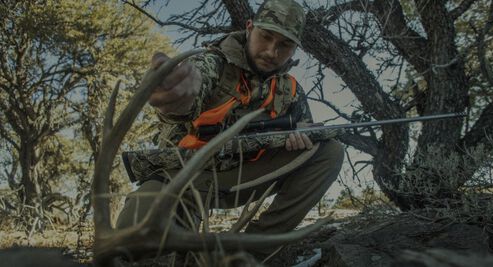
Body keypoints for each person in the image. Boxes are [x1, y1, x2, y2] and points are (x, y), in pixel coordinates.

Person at [116, 0, 344, 259]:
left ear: (295, 50)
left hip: (246, 178)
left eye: (285, 45)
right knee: (132, 231)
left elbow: (304, 140)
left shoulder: (290, 91)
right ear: (249, 28)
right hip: (185, 175)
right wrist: (177, 95)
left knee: (330, 152)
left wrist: (299, 140)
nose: (272, 51)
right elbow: (193, 88)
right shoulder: (213, 64)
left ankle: (250, 253)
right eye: (266, 37)